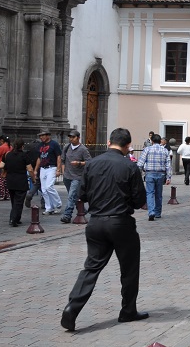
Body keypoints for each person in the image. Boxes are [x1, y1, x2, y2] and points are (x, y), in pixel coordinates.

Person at [61, 128, 148, 332]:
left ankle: (72, 307)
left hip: (96, 222)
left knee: (91, 267)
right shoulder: (130, 167)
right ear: (128, 146)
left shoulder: (91, 164)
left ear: (109, 143)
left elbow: (81, 195)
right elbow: (140, 200)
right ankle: (127, 311)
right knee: (129, 268)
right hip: (120, 222)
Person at [61, 129, 91, 223]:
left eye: (73, 137)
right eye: (70, 137)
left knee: (71, 196)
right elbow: (62, 160)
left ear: (78, 138)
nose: (71, 139)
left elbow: (90, 162)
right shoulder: (67, 147)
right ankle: (82, 210)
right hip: (67, 176)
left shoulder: (83, 149)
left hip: (77, 177)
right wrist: (63, 172)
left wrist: (79, 163)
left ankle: (67, 215)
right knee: (74, 196)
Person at [137, 133, 169, 221]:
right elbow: (168, 165)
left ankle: (151, 212)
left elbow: (140, 163)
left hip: (149, 173)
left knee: (150, 193)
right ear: (160, 141)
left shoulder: (147, 149)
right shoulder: (165, 151)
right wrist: (169, 177)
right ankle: (158, 213)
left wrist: (139, 172)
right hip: (161, 174)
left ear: (152, 141)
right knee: (159, 194)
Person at [3, 139, 33, 227]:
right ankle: (13, 218)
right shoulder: (24, 155)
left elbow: (3, 166)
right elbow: (30, 169)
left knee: (13, 201)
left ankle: (17, 218)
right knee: (19, 202)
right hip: (21, 181)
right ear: (22, 146)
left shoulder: (8, 155)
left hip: (10, 180)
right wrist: (34, 178)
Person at [33, 130, 63, 215]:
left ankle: (58, 204)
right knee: (44, 189)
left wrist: (58, 169)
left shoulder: (54, 144)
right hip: (43, 168)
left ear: (48, 136)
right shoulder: (40, 145)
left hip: (51, 167)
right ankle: (49, 207)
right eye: (40, 136)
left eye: (43, 135)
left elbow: (58, 157)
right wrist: (36, 169)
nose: (41, 137)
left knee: (49, 186)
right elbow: (39, 158)